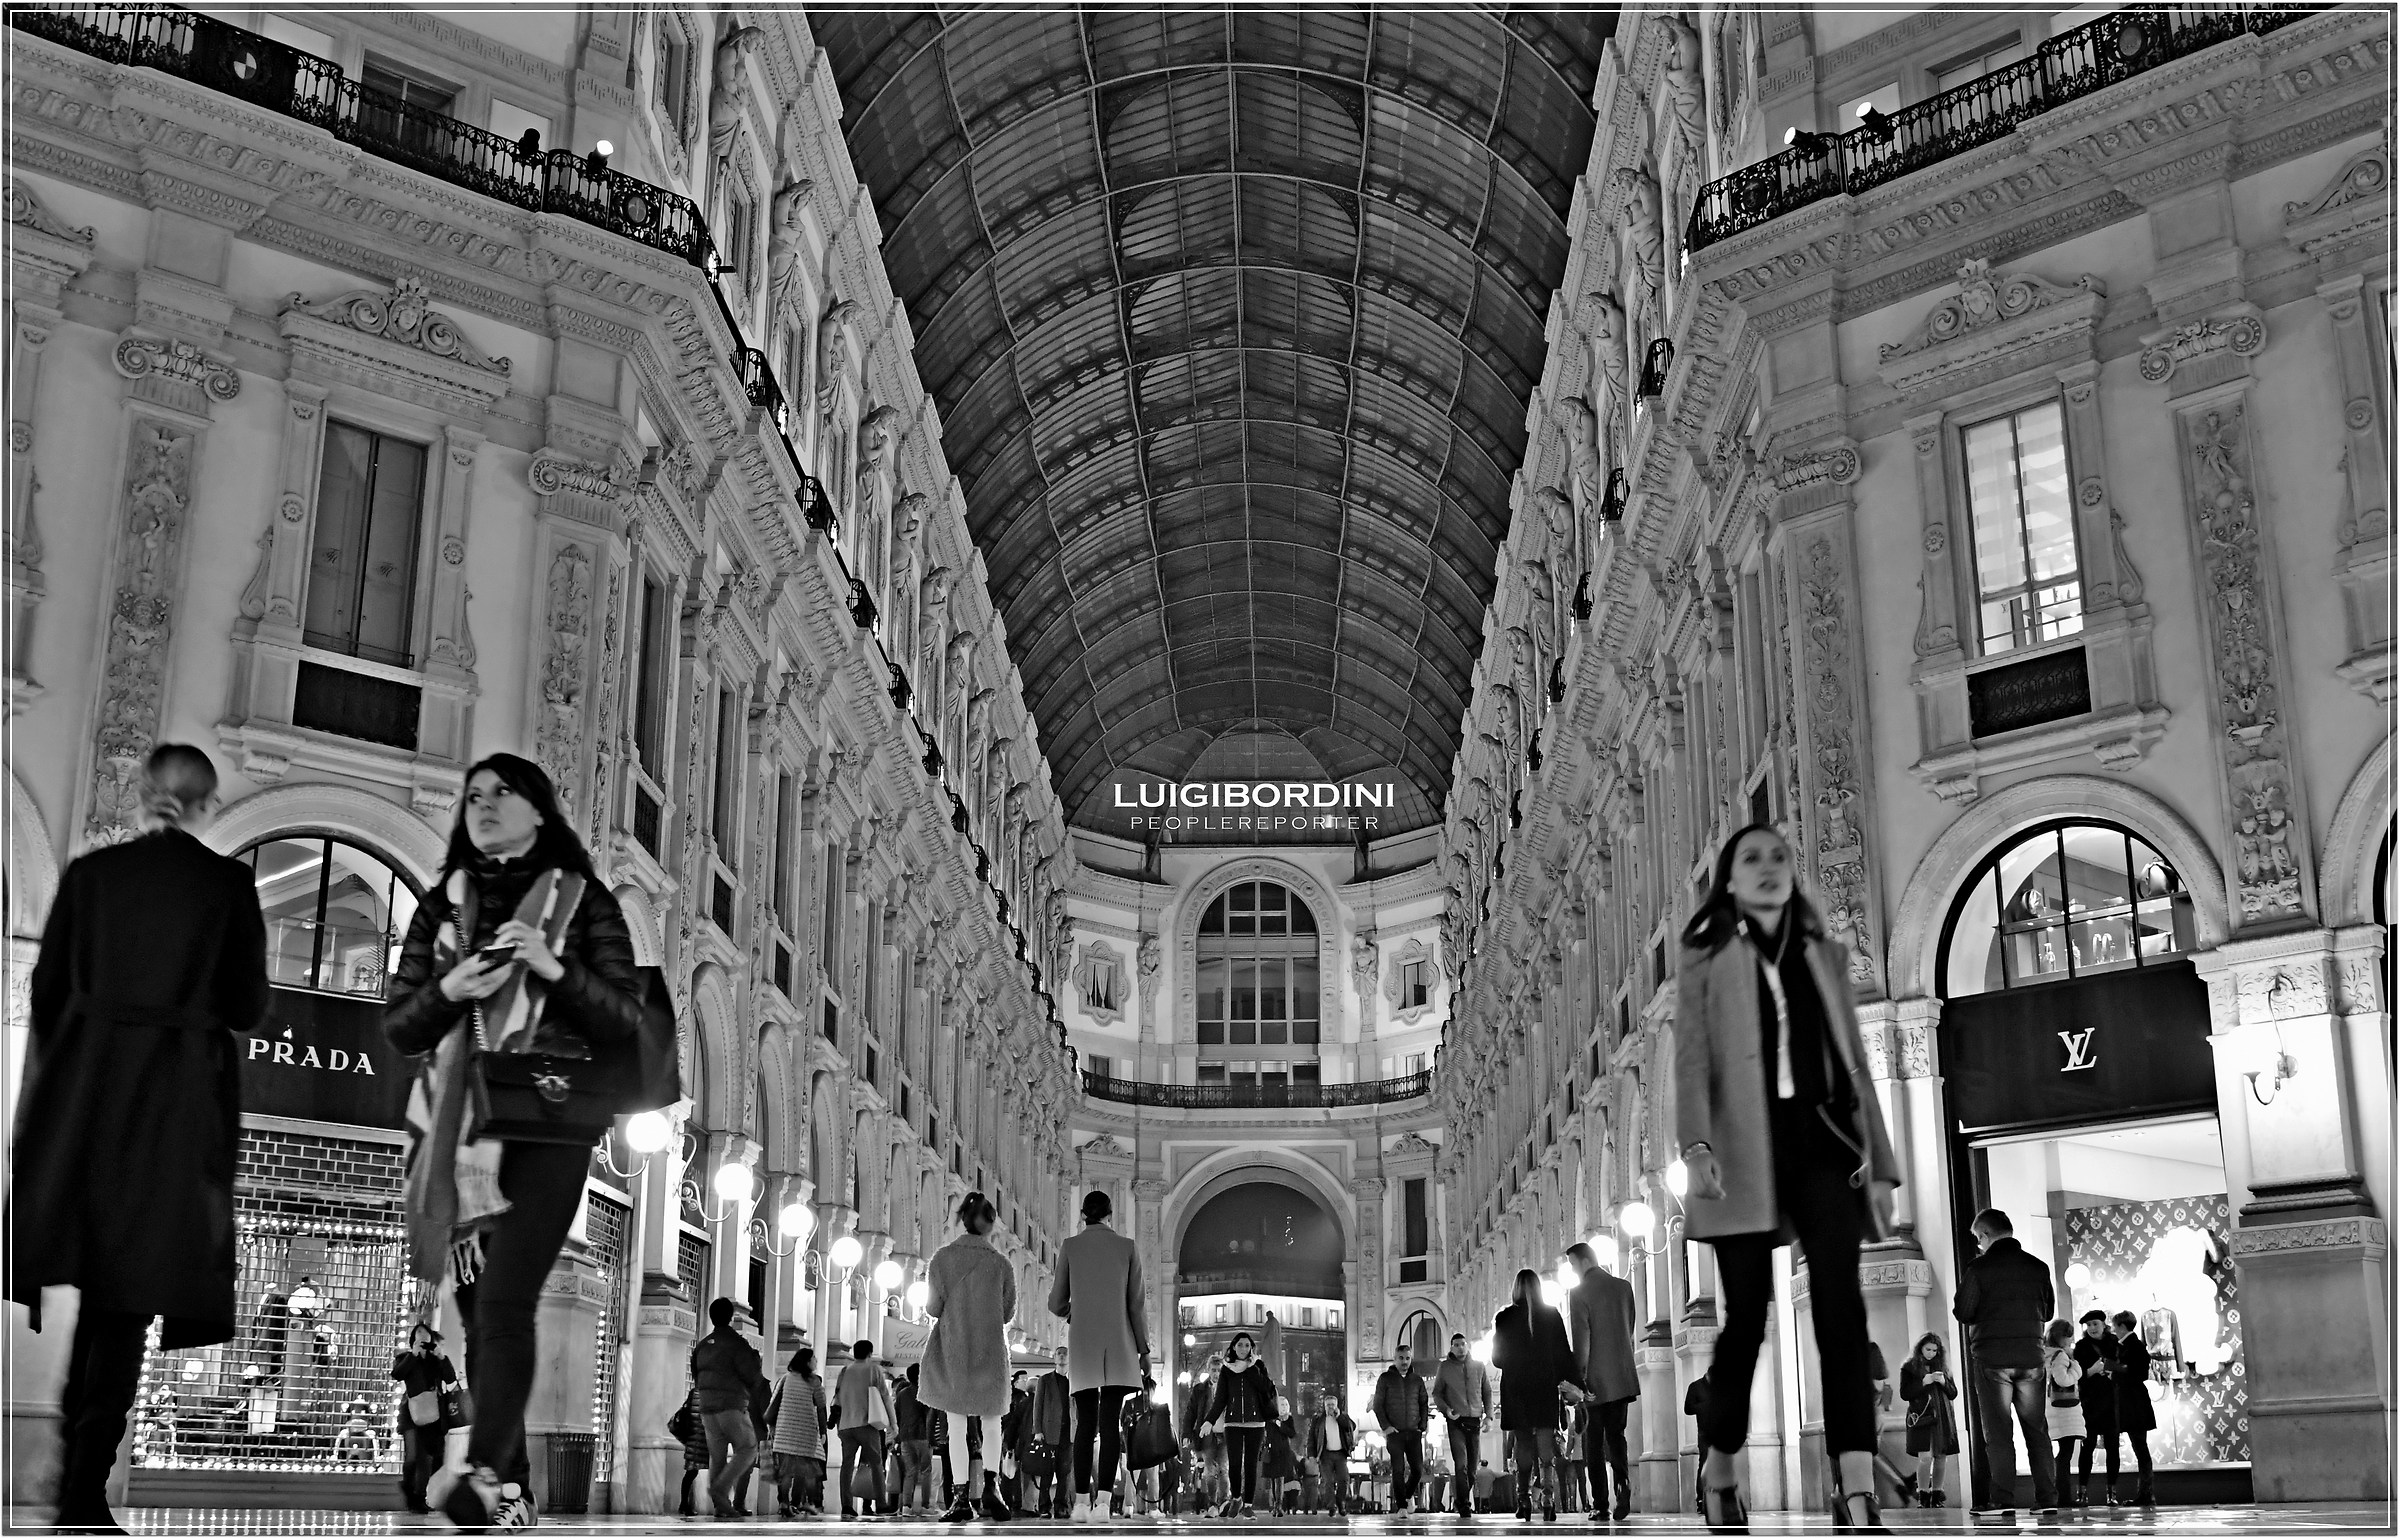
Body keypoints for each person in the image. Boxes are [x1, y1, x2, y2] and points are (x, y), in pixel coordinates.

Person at [8, 744, 269, 1533]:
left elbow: (46, 992)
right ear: (203, 804)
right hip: (173, 1107)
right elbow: (249, 1004)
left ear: (143, 794)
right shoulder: (226, 886)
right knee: (124, 1305)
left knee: (92, 1285)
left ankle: (70, 1482)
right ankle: (85, 1484)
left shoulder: (91, 879)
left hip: (86, 1102)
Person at [384, 753, 647, 1530]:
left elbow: (626, 1017)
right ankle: (492, 1476)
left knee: (504, 1299)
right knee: (481, 1304)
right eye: (474, 796)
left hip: (548, 1121)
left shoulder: (582, 901)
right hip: (460, 1127)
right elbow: (400, 1025)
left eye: (504, 793)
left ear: (540, 811)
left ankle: (491, 1469)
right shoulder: (444, 908)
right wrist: (448, 991)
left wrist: (552, 968)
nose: (485, 805)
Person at [1674, 823, 1900, 1532]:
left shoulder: (1820, 954)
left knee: (1842, 1308)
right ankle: (1721, 1460)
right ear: (1730, 880)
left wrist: (1883, 1164)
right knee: (1747, 1321)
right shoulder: (1705, 956)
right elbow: (1690, 1061)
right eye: (1753, 859)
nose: (1769, 868)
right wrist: (1697, 1146)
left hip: (1824, 1140)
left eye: (1780, 857)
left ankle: (1856, 1481)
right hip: (1743, 1147)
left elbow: (1853, 1060)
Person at [1046, 1188, 1150, 1521]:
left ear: (1083, 1215)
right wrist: (1144, 1351)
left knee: (1085, 1425)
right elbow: (1136, 1305)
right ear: (1109, 1215)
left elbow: (1055, 1302)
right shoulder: (1127, 1247)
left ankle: (1079, 1502)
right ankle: (1103, 1503)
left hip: (1084, 1345)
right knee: (1110, 1425)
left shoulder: (1071, 1246)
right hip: (1120, 1346)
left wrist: (1074, 1310)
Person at [1953, 1208, 2058, 1515]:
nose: (1978, 1244)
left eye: (1977, 1238)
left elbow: (1964, 1312)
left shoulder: (1979, 1268)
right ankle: (2048, 1499)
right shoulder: (2038, 1268)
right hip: (2032, 1359)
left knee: (1998, 1433)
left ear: (1985, 1235)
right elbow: (2049, 1312)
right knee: (2037, 1431)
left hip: (1992, 1360)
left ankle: (2002, 1499)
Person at [922, 1189, 1018, 1523]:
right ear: (991, 1225)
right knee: (993, 1424)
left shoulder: (942, 1259)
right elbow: (1007, 1313)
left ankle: (960, 1497)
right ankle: (992, 1487)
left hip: (954, 1350)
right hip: (991, 1351)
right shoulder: (1001, 1264)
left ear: (963, 1221)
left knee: (957, 1426)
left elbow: (933, 1307)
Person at [1492, 1267, 1576, 1522]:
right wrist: (1571, 1384)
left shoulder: (1504, 1318)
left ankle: (1523, 1501)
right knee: (1544, 1445)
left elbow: (1497, 1359)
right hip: (1543, 1389)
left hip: (1516, 1390)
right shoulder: (1551, 1315)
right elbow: (1564, 1354)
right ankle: (1548, 1499)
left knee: (1523, 1447)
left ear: (1515, 1289)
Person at [1563, 1241, 1639, 1519]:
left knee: (1593, 1444)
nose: (1573, 1270)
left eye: (1572, 1264)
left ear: (1583, 1261)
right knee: (1617, 1437)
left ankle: (1601, 1504)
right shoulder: (1623, 1287)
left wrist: (1580, 1378)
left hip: (1595, 1381)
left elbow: (1582, 1341)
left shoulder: (1579, 1292)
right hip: (1622, 1377)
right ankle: (1624, 1487)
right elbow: (1628, 1327)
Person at [689, 1296, 769, 1519]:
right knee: (748, 1447)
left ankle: (720, 1506)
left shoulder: (703, 1345)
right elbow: (752, 1376)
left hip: (706, 1408)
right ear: (731, 1316)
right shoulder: (736, 1343)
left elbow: (696, 1375)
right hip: (731, 1406)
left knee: (717, 1456)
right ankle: (721, 1489)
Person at [1206, 1331, 1279, 1517]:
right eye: (1240, 1345)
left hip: (1256, 1423)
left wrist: (1252, 1367)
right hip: (1233, 1423)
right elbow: (1220, 1399)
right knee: (1235, 1464)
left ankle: (1248, 1504)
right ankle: (1236, 1498)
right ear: (1233, 1347)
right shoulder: (1226, 1369)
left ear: (1251, 1348)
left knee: (1251, 1465)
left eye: (1247, 1345)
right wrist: (1209, 1420)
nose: (1243, 1349)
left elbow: (1266, 1388)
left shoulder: (1258, 1366)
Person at [392, 1322, 458, 1513]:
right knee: (412, 1457)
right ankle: (409, 1489)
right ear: (413, 1338)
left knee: (429, 1459)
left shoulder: (436, 1360)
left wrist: (441, 1357)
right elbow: (397, 1374)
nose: (422, 1335)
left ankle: (419, 1497)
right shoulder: (405, 1357)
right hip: (411, 1414)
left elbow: (451, 1380)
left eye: (425, 1332)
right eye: (418, 1332)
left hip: (433, 1415)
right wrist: (413, 1355)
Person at [1432, 1331, 1494, 1519]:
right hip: (1456, 1421)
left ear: (1468, 1346)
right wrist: (1446, 1409)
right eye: (1456, 1344)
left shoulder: (1479, 1366)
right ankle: (1464, 1504)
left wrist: (1489, 1416)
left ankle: (1461, 1499)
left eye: (1463, 1344)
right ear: (1451, 1347)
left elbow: (1487, 1392)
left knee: (1473, 1469)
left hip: (1474, 1420)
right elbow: (1437, 1393)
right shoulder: (1444, 1367)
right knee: (1461, 1465)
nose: (1460, 1348)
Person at [834, 1337, 896, 1517]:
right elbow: (885, 1397)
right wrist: (893, 1423)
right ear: (870, 1353)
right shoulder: (873, 1369)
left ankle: (846, 1506)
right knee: (876, 1464)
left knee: (846, 1465)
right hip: (866, 1424)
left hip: (845, 1425)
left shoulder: (845, 1371)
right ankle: (881, 1504)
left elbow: (837, 1398)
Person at [2102, 1311, 2158, 1508]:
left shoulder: (2134, 1345)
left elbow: (2139, 1372)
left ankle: (2146, 1493)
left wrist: (2116, 1369)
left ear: (2122, 1327)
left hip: (2133, 1404)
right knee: (2140, 1448)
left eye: (2115, 1327)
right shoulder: (2129, 1345)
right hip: (2132, 1403)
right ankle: (2145, 1493)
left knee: (2140, 1448)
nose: (2114, 1330)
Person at [769, 1344, 829, 1517]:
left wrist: (773, 1428)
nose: (816, 1361)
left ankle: (783, 1503)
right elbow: (821, 1407)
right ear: (808, 1362)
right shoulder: (814, 1381)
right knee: (810, 1470)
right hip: (806, 1432)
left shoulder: (785, 1379)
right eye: (814, 1358)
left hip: (784, 1431)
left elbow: (775, 1403)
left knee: (786, 1471)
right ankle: (809, 1502)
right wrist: (823, 1430)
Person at [1897, 1334, 1957, 1507]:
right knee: (1925, 1457)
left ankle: (1937, 1495)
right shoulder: (1909, 1368)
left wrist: (1944, 1382)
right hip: (1922, 1417)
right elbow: (1905, 1393)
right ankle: (1923, 1495)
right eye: (1928, 1349)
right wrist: (1923, 1382)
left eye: (1934, 1350)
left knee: (1941, 1457)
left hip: (1943, 1418)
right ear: (1920, 1349)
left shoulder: (1943, 1367)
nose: (1931, 1353)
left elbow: (1953, 1393)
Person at [1373, 1339, 1431, 1512]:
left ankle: (1406, 1495)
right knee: (1397, 1469)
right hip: (1394, 1432)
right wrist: (1386, 1427)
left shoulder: (1417, 1380)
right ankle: (1402, 1506)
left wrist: (1423, 1424)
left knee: (1418, 1470)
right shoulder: (1385, 1379)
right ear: (1394, 1359)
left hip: (1413, 1432)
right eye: (1401, 1358)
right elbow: (1378, 1404)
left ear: (1411, 1358)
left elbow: (1423, 1402)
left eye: (1407, 1358)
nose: (1404, 1361)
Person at [2071, 1312, 2120, 1506]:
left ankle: (2112, 1494)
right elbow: (2077, 1376)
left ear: (2103, 1324)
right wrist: (2090, 1371)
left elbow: (2124, 1367)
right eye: (2088, 1325)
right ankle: (2082, 1494)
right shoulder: (2081, 1347)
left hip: (2111, 1401)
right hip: (2090, 1402)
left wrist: (2112, 1371)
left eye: (2095, 1323)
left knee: (2113, 1447)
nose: (2092, 1328)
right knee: (2087, 1446)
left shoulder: (2115, 1342)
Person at [1021, 1345, 1074, 1517]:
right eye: (1058, 1353)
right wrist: (1038, 1430)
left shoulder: (1074, 1380)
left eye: (1065, 1354)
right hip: (1049, 1431)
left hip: (1068, 1433)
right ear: (1054, 1358)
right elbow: (1038, 1406)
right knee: (1046, 1472)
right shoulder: (1045, 1379)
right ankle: (1044, 1506)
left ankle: (1061, 1506)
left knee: (1064, 1472)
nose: (1062, 1356)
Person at [2042, 1320, 2086, 1508]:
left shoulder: (2043, 1353)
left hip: (2050, 1407)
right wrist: (2076, 1367)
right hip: (2064, 1411)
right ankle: (2064, 1495)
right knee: (2065, 1455)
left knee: (2060, 1454)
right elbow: (2064, 1379)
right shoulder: (2060, 1355)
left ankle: (2057, 1493)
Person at [1308, 1389, 1356, 1514]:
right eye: (1328, 1405)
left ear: (1336, 1405)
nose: (1330, 1407)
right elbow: (1312, 1438)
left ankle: (1341, 1502)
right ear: (1324, 1406)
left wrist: (1339, 1416)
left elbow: (1351, 1427)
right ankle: (1331, 1506)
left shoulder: (1343, 1417)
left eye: (1332, 1405)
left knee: (1343, 1480)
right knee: (1327, 1481)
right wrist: (1312, 1455)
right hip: (1325, 1454)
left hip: (1341, 1454)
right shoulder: (1318, 1420)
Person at [672, 1387, 710, 1516]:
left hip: (693, 1437)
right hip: (702, 1438)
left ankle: (684, 1504)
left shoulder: (695, 1392)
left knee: (691, 1473)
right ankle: (719, 1505)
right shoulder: (708, 1393)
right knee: (715, 1470)